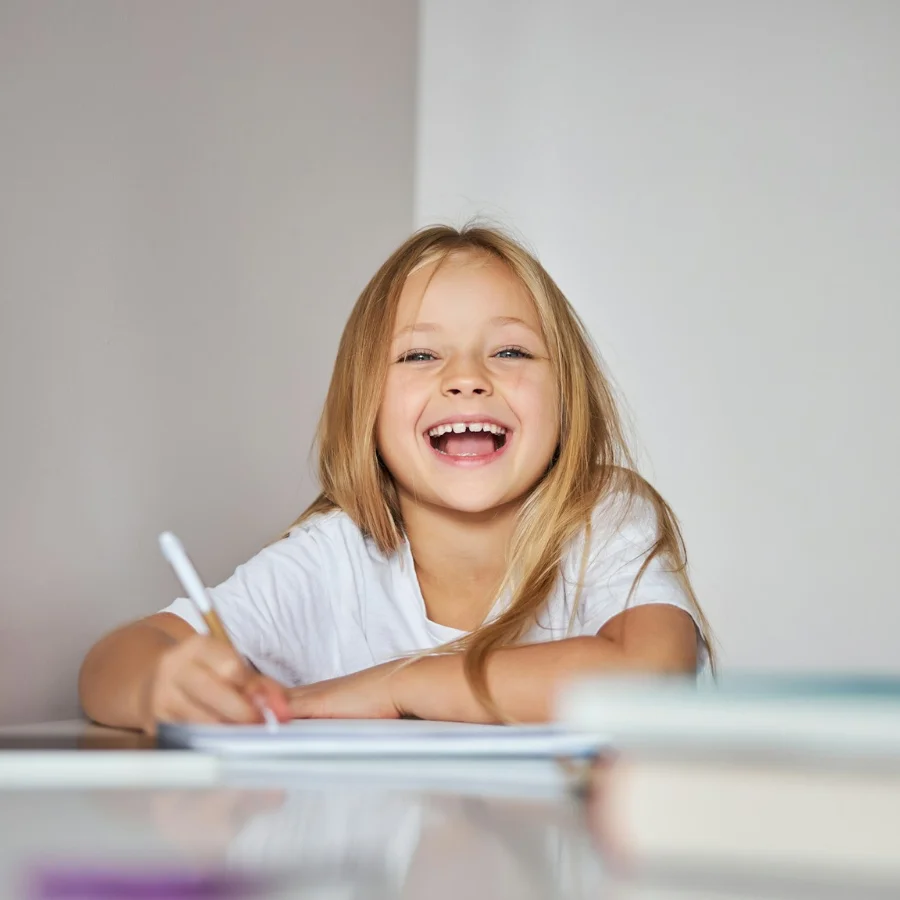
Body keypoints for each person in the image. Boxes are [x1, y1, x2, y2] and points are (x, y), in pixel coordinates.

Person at [79, 224, 713, 733]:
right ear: (367, 407)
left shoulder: (603, 517)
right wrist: (159, 687)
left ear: (568, 399)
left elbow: (650, 678)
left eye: (510, 351)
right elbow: (112, 665)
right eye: (420, 355)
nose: (467, 377)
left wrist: (394, 685)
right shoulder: (336, 559)